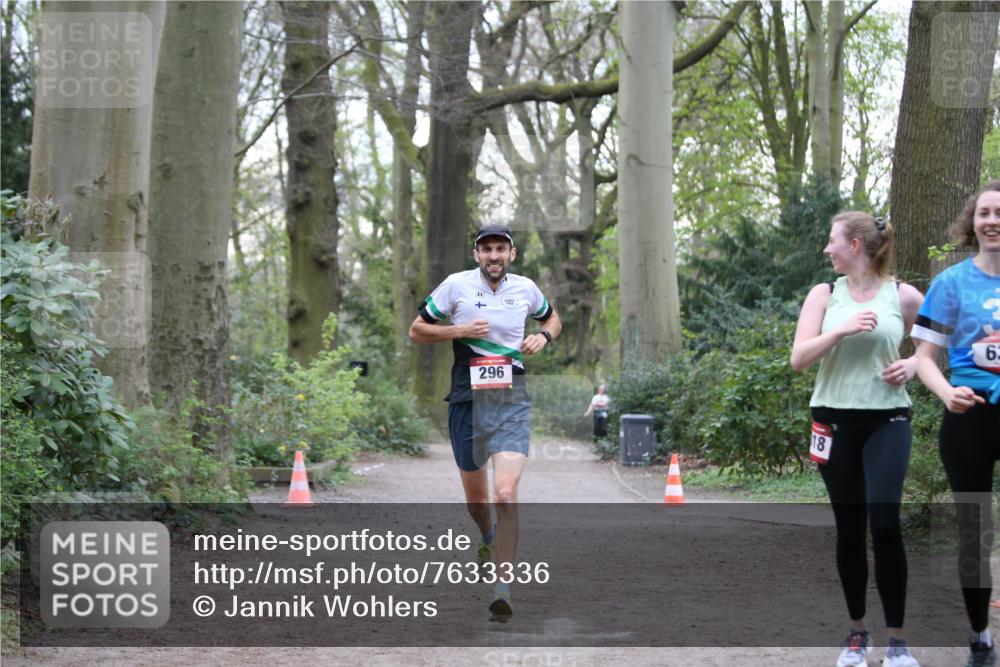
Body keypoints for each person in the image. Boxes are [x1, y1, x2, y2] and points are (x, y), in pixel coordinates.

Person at [791, 211, 924, 667]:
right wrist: (840, 329)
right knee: (850, 529)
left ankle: (898, 643)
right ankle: (856, 634)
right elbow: (799, 358)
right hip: (833, 421)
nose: (826, 249)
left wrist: (915, 364)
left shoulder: (902, 295)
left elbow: (935, 336)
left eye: (832, 241)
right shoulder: (824, 295)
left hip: (888, 420)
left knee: (885, 523)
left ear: (855, 245)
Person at [408, 224, 561, 620]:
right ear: (476, 254)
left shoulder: (526, 289)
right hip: (466, 402)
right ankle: (487, 537)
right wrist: (458, 330)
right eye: (486, 249)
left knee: (505, 494)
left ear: (512, 254)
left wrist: (545, 337)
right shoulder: (455, 286)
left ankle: (503, 588)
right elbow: (416, 331)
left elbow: (553, 319)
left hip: (511, 401)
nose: (494, 255)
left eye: (501, 249)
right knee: (478, 504)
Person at [912, 180, 1000, 667]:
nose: (992, 221)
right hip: (969, 415)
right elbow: (924, 357)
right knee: (974, 528)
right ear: (972, 223)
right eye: (984, 213)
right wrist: (947, 393)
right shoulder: (950, 283)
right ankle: (980, 636)